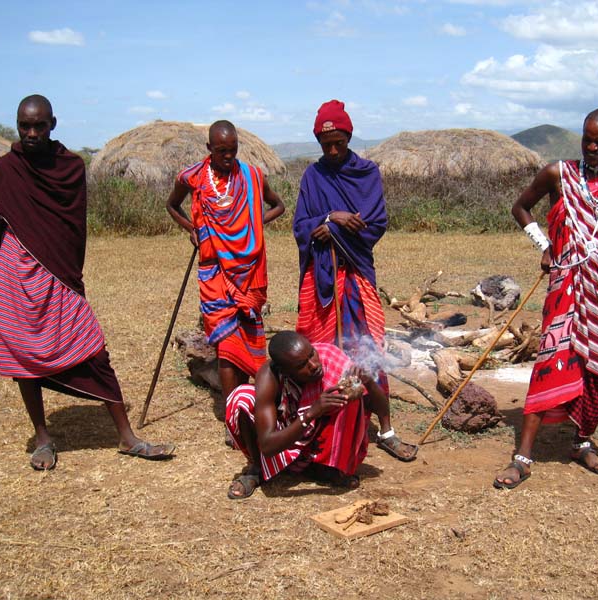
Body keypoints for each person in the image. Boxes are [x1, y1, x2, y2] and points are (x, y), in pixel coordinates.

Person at [0, 94, 175, 471]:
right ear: (17, 125)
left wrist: (64, 266)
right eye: (25, 126)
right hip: (17, 269)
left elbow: (73, 226)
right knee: (22, 351)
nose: (32, 132)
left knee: (93, 347)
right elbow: (1, 223)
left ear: (53, 124)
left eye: (40, 125)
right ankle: (43, 438)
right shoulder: (5, 168)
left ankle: (127, 437)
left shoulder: (70, 166)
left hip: (60, 273)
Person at [493, 108, 598, 489]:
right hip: (566, 289)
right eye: (587, 139)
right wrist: (545, 245)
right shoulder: (559, 173)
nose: (591, 147)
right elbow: (520, 208)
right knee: (550, 365)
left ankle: (581, 442)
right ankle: (522, 457)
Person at [292, 99, 416, 462]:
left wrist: (334, 227)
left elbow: (374, 223)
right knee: (321, 353)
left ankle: (387, 429)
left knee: (367, 351)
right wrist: (333, 217)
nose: (332, 150)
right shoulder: (313, 176)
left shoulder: (367, 173)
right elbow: (302, 226)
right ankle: (326, 424)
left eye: (339, 143)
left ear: (348, 137)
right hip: (323, 280)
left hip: (357, 277)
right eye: (325, 144)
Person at [166, 120, 285, 405]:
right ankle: (234, 414)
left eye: (233, 149)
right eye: (221, 150)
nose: (228, 156)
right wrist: (191, 229)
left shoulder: (254, 176)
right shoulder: (193, 176)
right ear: (209, 148)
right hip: (215, 273)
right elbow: (172, 205)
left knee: (250, 338)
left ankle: (253, 404)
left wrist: (255, 221)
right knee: (226, 342)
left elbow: (278, 205)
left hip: (249, 272)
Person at [225, 331, 404, 499]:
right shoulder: (269, 376)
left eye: (311, 354)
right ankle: (257, 469)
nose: (314, 365)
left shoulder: (328, 356)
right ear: (285, 371)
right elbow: (267, 445)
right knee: (241, 397)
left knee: (351, 398)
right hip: (284, 435)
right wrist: (311, 413)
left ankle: (324, 467)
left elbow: (381, 410)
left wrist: (369, 382)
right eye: (302, 365)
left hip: (314, 439)